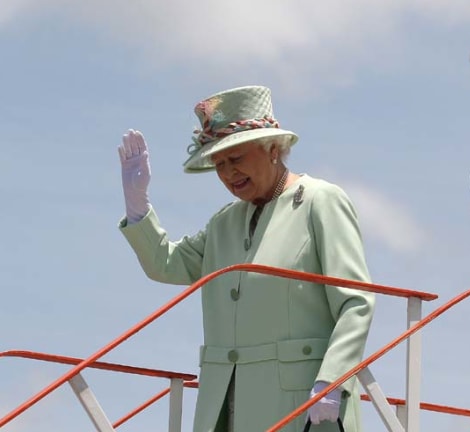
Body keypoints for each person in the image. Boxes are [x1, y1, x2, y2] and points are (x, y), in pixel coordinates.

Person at [117, 85, 375, 432]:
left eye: (236, 159)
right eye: (219, 164)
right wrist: (138, 207)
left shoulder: (320, 201)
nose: (227, 174)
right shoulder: (224, 223)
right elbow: (167, 264)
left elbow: (356, 302)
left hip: (303, 409)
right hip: (227, 413)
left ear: (272, 149)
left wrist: (332, 380)